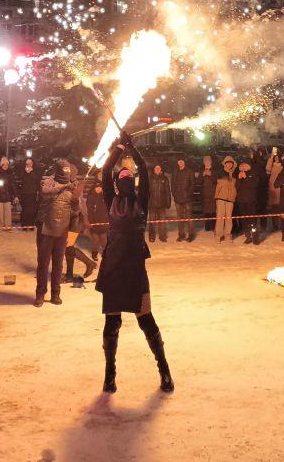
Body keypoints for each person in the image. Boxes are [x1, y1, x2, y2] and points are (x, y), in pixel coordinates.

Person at [96, 135, 174, 394]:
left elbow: (110, 171)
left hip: (127, 268)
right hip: (120, 267)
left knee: (141, 320)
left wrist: (124, 149)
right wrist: (126, 148)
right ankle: (111, 376)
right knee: (118, 322)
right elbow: (113, 171)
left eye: (127, 178)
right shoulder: (124, 200)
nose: (126, 180)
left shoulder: (130, 200)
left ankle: (162, 371)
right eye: (125, 177)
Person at [35, 160, 78, 306]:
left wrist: (76, 199)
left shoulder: (72, 185)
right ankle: (40, 294)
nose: (66, 173)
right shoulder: (48, 181)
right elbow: (45, 193)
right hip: (46, 230)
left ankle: (56, 294)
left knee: (58, 264)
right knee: (43, 264)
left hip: (62, 230)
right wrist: (65, 186)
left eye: (68, 170)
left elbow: (75, 210)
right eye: (64, 170)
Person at [213, 156, 238, 242]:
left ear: (233, 164)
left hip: (230, 199)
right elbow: (215, 183)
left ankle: (227, 234)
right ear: (225, 163)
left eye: (231, 163)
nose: (229, 164)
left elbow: (236, 185)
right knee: (220, 217)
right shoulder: (220, 172)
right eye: (227, 163)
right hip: (221, 197)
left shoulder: (235, 174)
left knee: (229, 217)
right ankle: (218, 235)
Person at [85, 175, 110, 259]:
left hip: (104, 222)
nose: (98, 189)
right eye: (97, 188)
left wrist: (108, 220)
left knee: (104, 240)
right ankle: (94, 253)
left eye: (100, 187)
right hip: (94, 222)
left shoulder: (104, 197)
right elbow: (89, 211)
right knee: (95, 240)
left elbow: (108, 209)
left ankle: (105, 253)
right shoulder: (91, 197)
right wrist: (91, 222)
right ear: (94, 188)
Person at [170, 158, 194, 242]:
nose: (180, 162)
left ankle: (191, 235)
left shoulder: (190, 171)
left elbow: (192, 184)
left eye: (182, 161)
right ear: (177, 162)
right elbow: (172, 184)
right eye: (179, 161)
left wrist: (188, 194)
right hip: (178, 199)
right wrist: (174, 194)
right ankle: (181, 235)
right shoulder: (175, 172)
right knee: (179, 218)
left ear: (184, 162)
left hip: (187, 199)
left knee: (189, 217)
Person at [236, 161, 260, 244]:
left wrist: (246, 177)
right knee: (244, 220)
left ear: (249, 166)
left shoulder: (253, 174)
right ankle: (248, 236)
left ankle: (255, 237)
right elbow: (236, 187)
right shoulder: (239, 175)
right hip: (241, 201)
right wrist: (239, 179)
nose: (243, 167)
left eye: (245, 166)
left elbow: (254, 185)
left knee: (252, 220)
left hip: (251, 201)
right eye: (242, 166)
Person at [147, 163, 171, 243]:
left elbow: (167, 192)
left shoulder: (165, 179)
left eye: (159, 168)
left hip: (162, 204)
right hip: (152, 204)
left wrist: (168, 202)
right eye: (156, 168)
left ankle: (162, 236)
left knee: (162, 222)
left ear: (161, 169)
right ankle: (152, 236)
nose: (157, 169)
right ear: (154, 169)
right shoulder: (150, 178)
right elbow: (147, 192)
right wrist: (147, 202)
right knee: (152, 222)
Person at [0, 157, 15, 230]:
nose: (5, 166)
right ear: (1, 165)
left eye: (7, 164)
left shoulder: (9, 175)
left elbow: (12, 186)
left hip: (7, 196)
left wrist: (14, 195)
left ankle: (8, 227)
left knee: (7, 213)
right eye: (4, 164)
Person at [17, 157, 41, 228]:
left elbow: (37, 181)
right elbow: (20, 179)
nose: (28, 165)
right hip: (24, 193)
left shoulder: (35, 172)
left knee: (32, 210)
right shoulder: (22, 171)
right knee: (25, 209)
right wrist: (25, 172)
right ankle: (24, 224)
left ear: (32, 164)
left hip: (32, 193)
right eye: (27, 163)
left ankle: (31, 224)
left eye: (30, 163)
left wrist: (31, 172)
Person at [199, 156, 216, 232]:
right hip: (205, 194)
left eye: (208, 161)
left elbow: (217, 180)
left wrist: (211, 175)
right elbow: (198, 181)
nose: (207, 162)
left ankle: (213, 226)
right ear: (204, 162)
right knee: (206, 211)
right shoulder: (201, 171)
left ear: (211, 162)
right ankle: (207, 226)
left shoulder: (214, 170)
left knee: (213, 211)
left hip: (213, 193)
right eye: (205, 161)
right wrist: (202, 175)